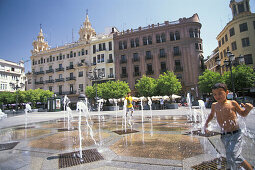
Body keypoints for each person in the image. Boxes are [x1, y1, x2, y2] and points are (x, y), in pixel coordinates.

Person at [204, 83, 253, 170]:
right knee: (230, 156)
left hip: (235, 134)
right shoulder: (214, 105)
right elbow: (211, 115)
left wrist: (248, 109)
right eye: (214, 94)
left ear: (226, 92)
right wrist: (206, 124)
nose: (217, 96)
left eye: (220, 93)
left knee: (233, 154)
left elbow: (243, 114)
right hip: (224, 135)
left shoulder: (232, 103)